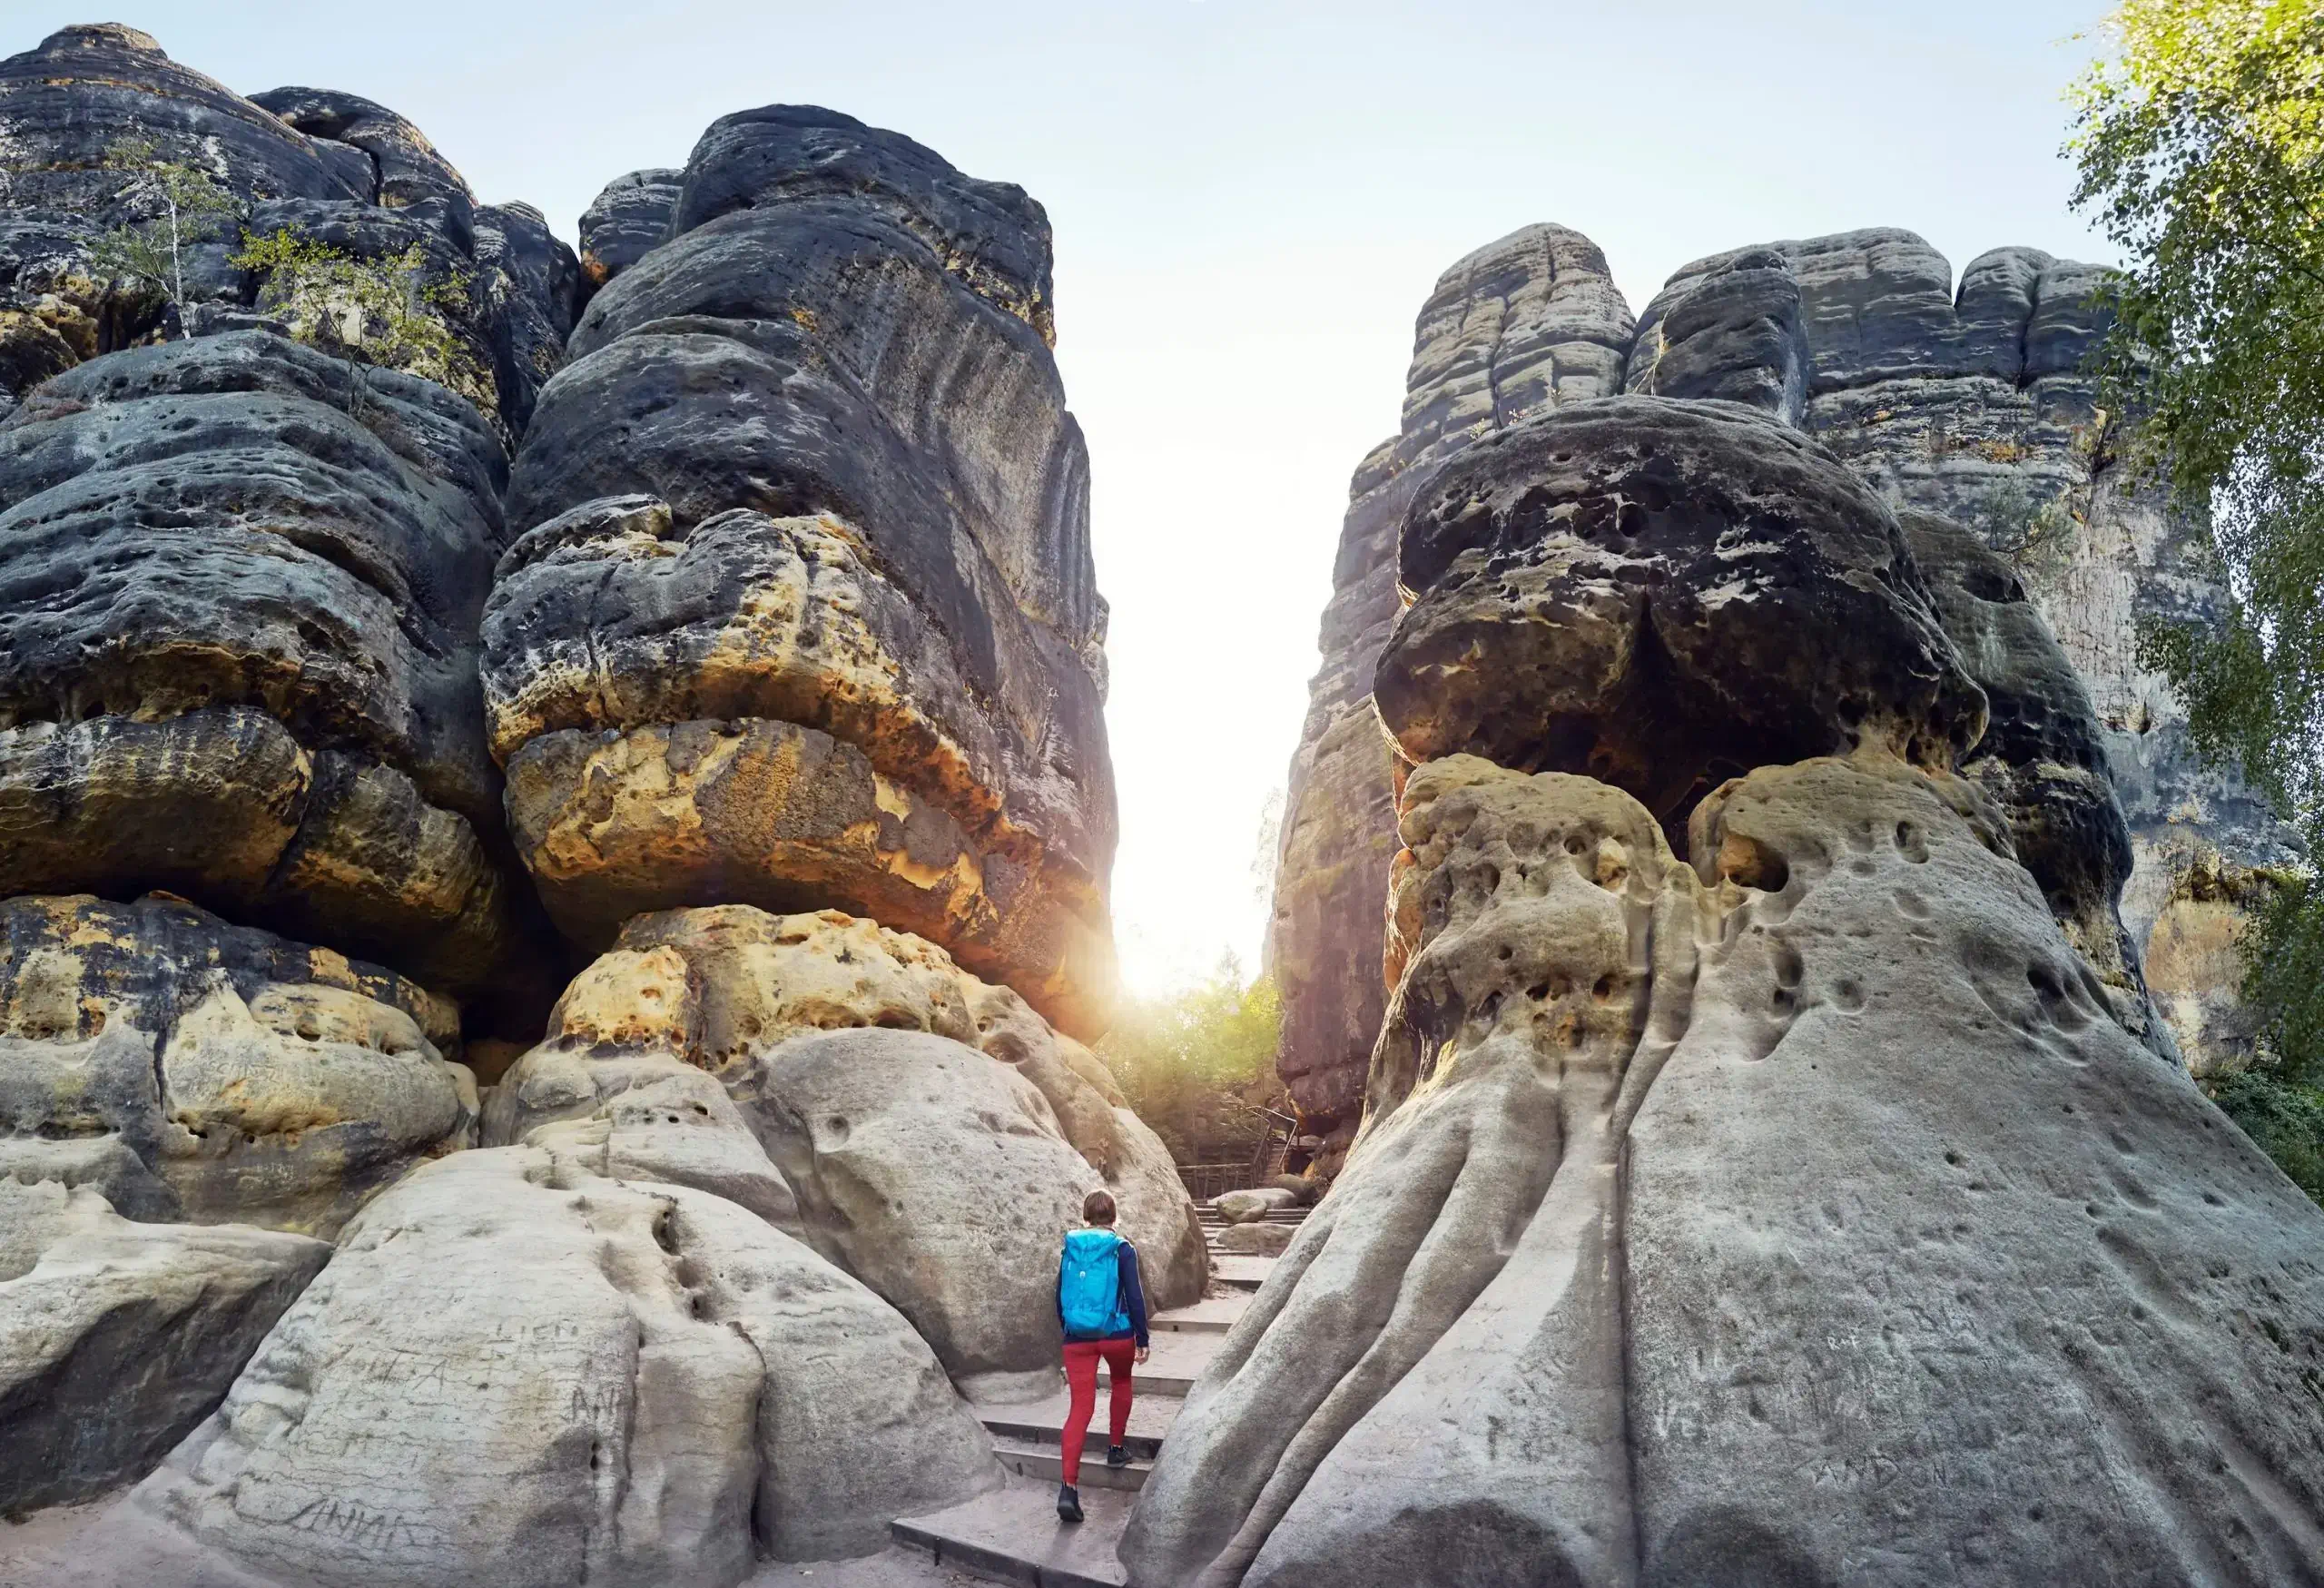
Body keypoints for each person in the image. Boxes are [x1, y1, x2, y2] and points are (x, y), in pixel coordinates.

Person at [1053, 1188, 1148, 1523]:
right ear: (1113, 1216)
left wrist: (1068, 1327)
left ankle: (1068, 1488)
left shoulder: (1071, 1247)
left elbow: (1058, 1292)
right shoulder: (1121, 1248)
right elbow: (1134, 1295)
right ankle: (1115, 1449)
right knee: (1121, 1380)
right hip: (1117, 1334)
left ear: (1085, 1216)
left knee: (1080, 1408)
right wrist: (1142, 1336)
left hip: (1076, 1336)